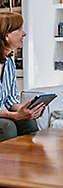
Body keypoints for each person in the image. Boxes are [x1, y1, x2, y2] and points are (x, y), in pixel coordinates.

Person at [0, 12, 46, 141]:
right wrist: (14, 116)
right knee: (7, 126)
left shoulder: (9, 61)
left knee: (28, 122)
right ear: (6, 35)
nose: (24, 33)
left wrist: (27, 110)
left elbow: (10, 100)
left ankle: (31, 160)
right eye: (19, 29)